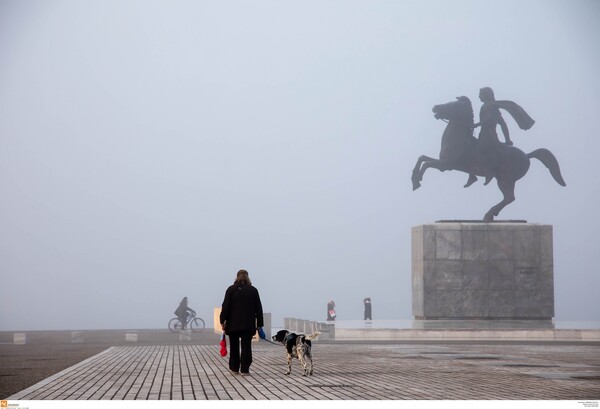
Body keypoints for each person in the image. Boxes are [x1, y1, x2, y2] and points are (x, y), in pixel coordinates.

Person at [464, 87, 513, 188]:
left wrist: (477, 124)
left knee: (475, 153)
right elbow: (502, 124)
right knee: (470, 151)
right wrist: (507, 139)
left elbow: (492, 120)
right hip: (483, 135)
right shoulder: (487, 106)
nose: (479, 96)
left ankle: (488, 172)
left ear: (486, 94)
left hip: (489, 136)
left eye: (481, 94)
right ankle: (472, 176)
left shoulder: (490, 106)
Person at [220, 269, 264, 376]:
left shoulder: (231, 290)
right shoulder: (253, 290)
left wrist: (222, 321)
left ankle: (234, 368)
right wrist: (259, 325)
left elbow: (225, 307)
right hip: (248, 325)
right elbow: (259, 308)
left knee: (234, 347)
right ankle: (245, 369)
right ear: (248, 277)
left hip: (232, 325)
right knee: (246, 347)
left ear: (237, 277)